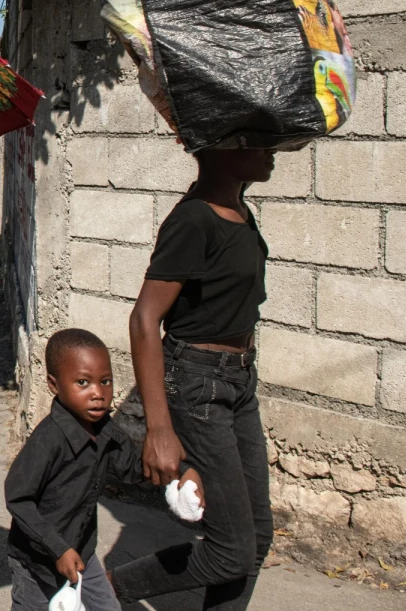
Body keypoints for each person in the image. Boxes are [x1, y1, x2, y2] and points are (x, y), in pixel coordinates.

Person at [111, 147, 276, 609]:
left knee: (255, 537)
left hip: (239, 383)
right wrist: (159, 430)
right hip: (198, 384)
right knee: (230, 552)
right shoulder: (193, 220)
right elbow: (145, 319)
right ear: (224, 146)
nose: (272, 152)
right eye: (260, 141)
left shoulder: (239, 210)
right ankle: (100, 592)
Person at [5, 329, 203, 611]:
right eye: (83, 382)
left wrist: (181, 472)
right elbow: (18, 499)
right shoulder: (48, 441)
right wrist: (58, 549)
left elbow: (135, 468)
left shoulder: (106, 430)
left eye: (105, 381)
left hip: (82, 552)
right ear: (53, 384)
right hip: (36, 560)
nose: (98, 394)